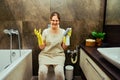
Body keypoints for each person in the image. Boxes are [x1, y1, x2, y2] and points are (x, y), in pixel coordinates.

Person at [38, 12, 68, 80]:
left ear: (59, 21)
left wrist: (67, 39)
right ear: (50, 20)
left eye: (56, 20)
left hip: (58, 55)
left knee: (59, 72)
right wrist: (39, 38)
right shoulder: (45, 32)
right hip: (46, 55)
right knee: (42, 72)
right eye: (53, 20)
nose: (54, 22)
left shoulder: (63, 32)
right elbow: (41, 47)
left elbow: (64, 48)